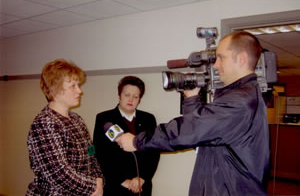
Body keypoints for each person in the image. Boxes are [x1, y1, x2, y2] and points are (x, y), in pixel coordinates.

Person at [116, 31, 270, 196]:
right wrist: (192, 99)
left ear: (241, 59)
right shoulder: (241, 96)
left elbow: (189, 130)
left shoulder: (239, 101)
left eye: (221, 58)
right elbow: (203, 132)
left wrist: (137, 141)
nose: (216, 65)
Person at [26, 59, 104, 196]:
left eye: (78, 85)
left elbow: (91, 154)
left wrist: (99, 180)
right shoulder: (44, 123)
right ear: (54, 88)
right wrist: (93, 187)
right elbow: (59, 173)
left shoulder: (77, 119)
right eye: (73, 86)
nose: (79, 91)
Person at [93, 76, 160, 196]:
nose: (131, 99)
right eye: (127, 95)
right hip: (115, 186)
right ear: (119, 96)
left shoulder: (148, 119)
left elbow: (154, 152)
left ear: (139, 99)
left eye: (135, 97)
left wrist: (142, 178)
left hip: (141, 186)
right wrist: (123, 181)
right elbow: (100, 154)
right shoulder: (104, 118)